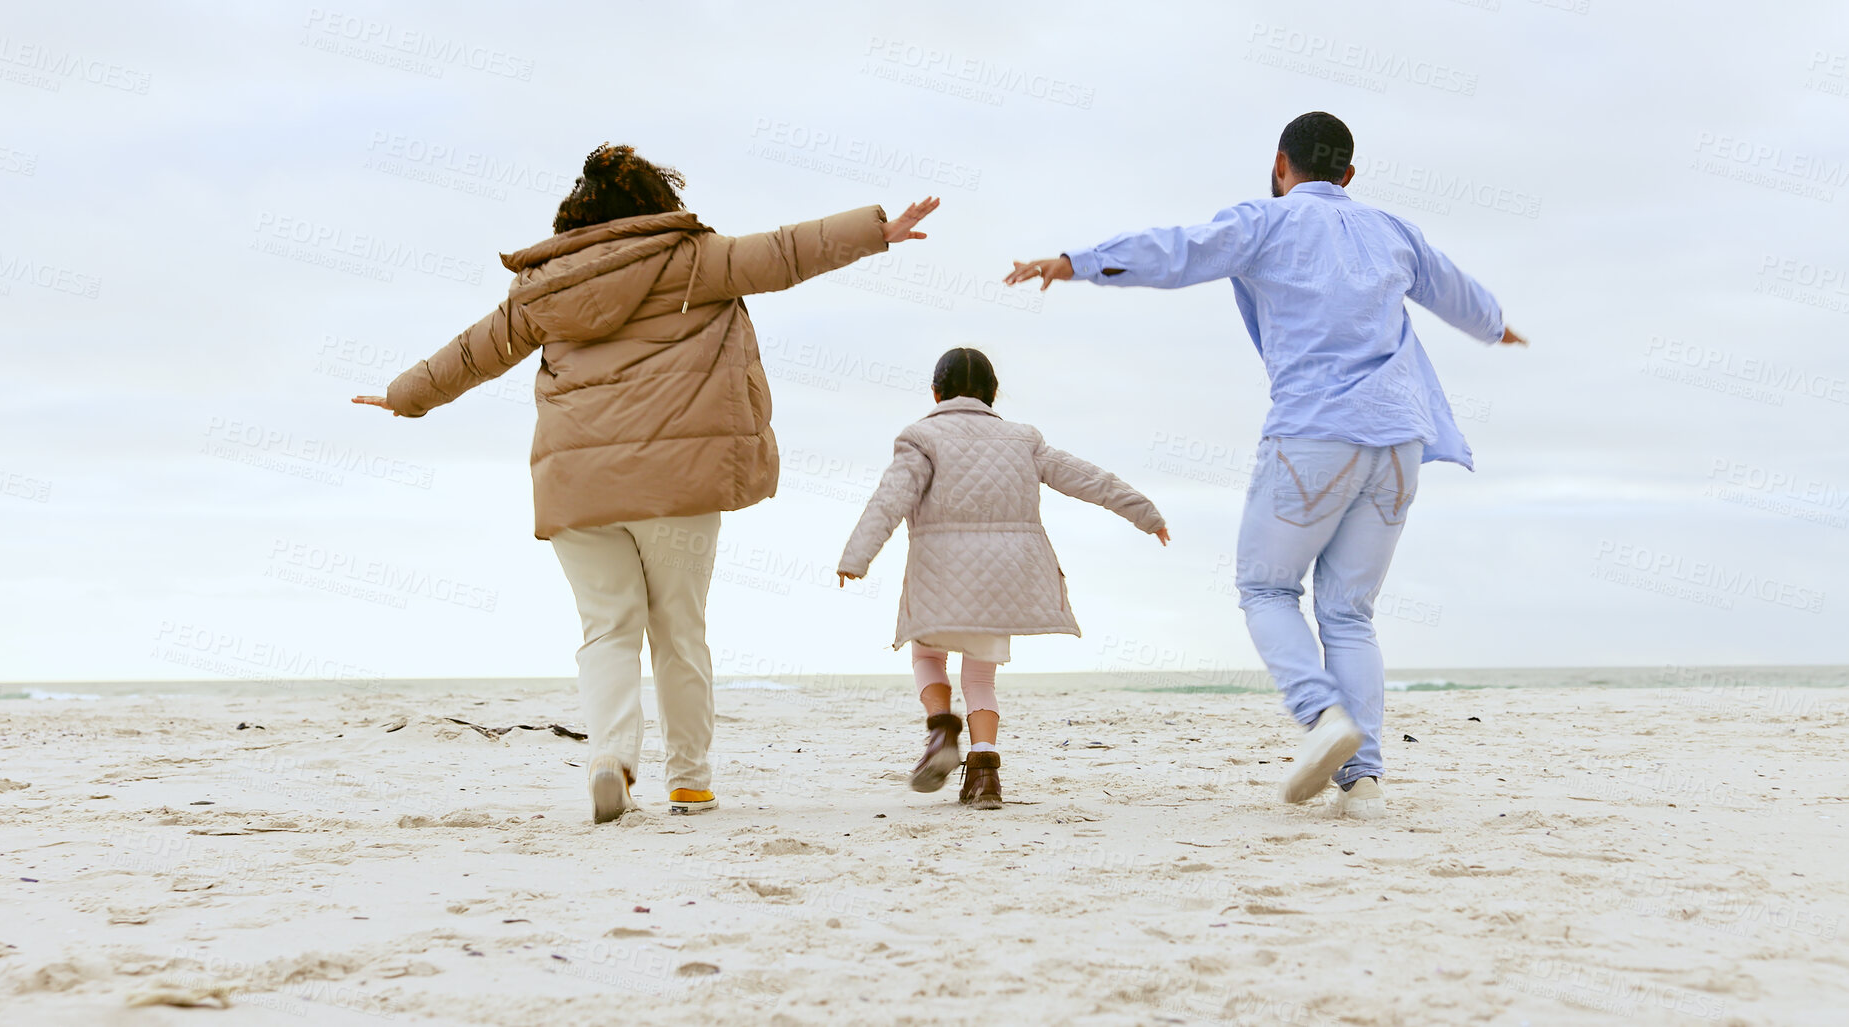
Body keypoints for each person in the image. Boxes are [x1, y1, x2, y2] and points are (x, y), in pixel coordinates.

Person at [354, 143, 941, 823]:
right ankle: (689, 780)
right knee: (679, 630)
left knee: (606, 629)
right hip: (678, 484)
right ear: (655, 205)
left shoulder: (541, 287)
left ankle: (610, 758)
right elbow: (786, 252)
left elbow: (471, 353)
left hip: (576, 486)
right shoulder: (693, 258)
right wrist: (878, 231)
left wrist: (403, 396)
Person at [1003, 112, 1526, 819]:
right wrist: (1498, 328)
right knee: (1348, 612)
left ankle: (1323, 718)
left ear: (1282, 166)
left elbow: (1178, 252)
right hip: (1401, 438)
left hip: (1315, 432)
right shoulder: (1392, 231)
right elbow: (1458, 293)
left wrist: (1077, 262)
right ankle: (1362, 781)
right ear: (1347, 176)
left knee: (1265, 587)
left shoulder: (1267, 222)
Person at [836, 348, 1169, 810]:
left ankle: (941, 729)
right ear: (994, 394)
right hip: (1003, 580)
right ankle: (985, 773)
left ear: (935, 392)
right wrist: (1145, 513)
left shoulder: (921, 437)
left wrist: (856, 557)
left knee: (927, 654)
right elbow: (1087, 477)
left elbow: (890, 499)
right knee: (980, 677)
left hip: (940, 575)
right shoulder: (1023, 439)